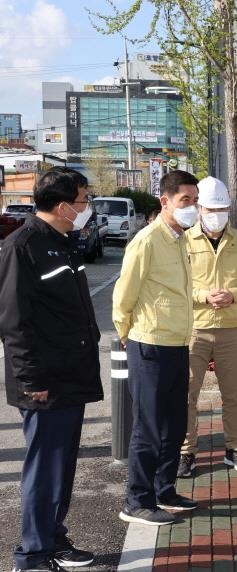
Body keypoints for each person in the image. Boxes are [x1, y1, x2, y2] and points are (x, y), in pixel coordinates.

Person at [0, 168, 103, 571]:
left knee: (61, 468)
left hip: (71, 374)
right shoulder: (22, 247)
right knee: (44, 472)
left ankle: (53, 537)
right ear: (62, 207)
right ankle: (32, 555)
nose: (86, 207)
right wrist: (31, 381)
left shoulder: (63, 242)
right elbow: (13, 322)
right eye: (82, 200)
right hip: (45, 382)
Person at [112, 170, 200, 526]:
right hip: (149, 344)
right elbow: (124, 293)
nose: (192, 208)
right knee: (148, 429)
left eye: (195, 201)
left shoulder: (181, 240)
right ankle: (137, 500)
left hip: (177, 343)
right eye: (186, 201)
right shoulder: (147, 241)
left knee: (174, 424)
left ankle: (165, 489)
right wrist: (125, 333)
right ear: (165, 201)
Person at [177, 176, 237, 478]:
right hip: (195, 328)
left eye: (222, 208)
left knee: (234, 394)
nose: (217, 214)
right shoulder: (184, 241)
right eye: (211, 208)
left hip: (231, 327)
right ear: (199, 208)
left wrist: (235, 294)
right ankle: (186, 452)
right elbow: (175, 285)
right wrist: (203, 296)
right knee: (187, 394)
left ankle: (235, 448)